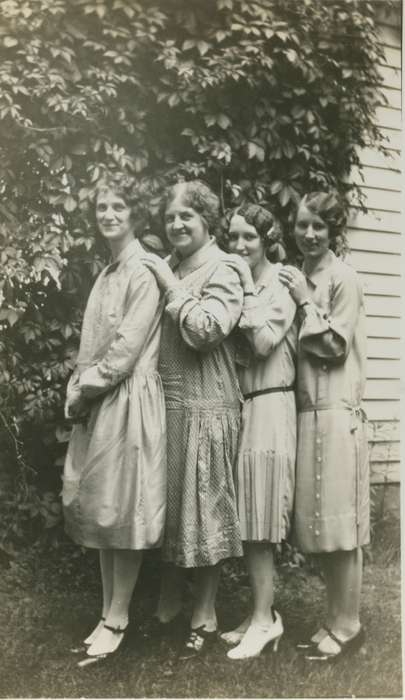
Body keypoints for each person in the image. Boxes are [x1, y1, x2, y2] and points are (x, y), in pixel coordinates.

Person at [141, 180, 250, 657]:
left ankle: (205, 613)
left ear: (208, 221)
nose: (177, 224)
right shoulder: (167, 265)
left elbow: (208, 330)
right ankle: (167, 606)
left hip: (209, 405)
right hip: (166, 404)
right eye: (170, 217)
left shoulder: (227, 266)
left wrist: (171, 286)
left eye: (187, 216)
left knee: (205, 511)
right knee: (169, 510)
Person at [62, 172, 166, 662]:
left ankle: (118, 617)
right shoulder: (107, 273)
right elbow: (91, 345)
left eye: (118, 207)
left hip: (128, 400)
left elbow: (124, 350)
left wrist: (86, 389)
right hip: (101, 399)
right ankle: (107, 611)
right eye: (102, 206)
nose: (108, 214)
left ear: (134, 215)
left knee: (122, 510)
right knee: (102, 508)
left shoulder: (143, 271)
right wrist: (75, 388)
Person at [279, 191, 369, 661]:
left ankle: (349, 623)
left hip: (337, 411)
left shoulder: (343, 278)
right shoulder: (302, 276)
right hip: (307, 411)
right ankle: (333, 616)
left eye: (318, 226)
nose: (309, 234)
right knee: (322, 525)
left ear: (334, 230)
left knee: (343, 526)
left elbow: (334, 346)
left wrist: (301, 301)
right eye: (301, 225)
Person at [220, 204, 297, 659]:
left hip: (271, 402)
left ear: (267, 239)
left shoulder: (283, 281)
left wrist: (246, 288)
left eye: (249, 236)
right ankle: (258, 614)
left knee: (262, 518)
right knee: (249, 517)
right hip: (245, 405)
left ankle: (267, 621)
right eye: (233, 237)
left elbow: (266, 342)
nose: (240, 245)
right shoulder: (239, 282)